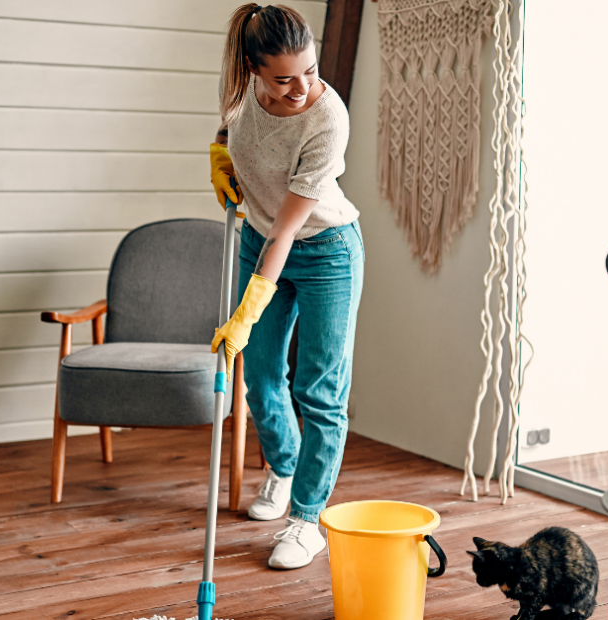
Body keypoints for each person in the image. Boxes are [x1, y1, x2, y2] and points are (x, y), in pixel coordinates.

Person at [209, 3, 364, 570]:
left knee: (319, 390)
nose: (301, 87)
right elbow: (230, 131)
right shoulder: (239, 91)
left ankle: (306, 519)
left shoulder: (327, 119)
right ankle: (283, 465)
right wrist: (219, 155)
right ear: (255, 71)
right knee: (264, 376)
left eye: (311, 70)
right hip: (258, 238)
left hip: (324, 251)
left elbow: (288, 230)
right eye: (284, 78)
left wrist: (247, 310)